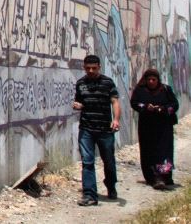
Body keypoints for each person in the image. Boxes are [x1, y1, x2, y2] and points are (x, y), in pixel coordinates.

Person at [73, 54, 121, 206]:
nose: (91, 71)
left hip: (105, 129)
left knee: (109, 161)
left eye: (94, 68)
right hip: (86, 128)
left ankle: (111, 185)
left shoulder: (107, 82)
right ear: (84, 68)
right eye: (88, 68)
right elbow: (78, 101)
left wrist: (116, 119)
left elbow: (115, 102)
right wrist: (77, 105)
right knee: (87, 161)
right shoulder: (80, 83)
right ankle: (89, 194)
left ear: (99, 67)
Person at [130, 67, 179, 189]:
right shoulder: (140, 91)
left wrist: (162, 109)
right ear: (145, 80)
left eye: (154, 79)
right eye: (149, 79)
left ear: (158, 80)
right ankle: (153, 177)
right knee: (148, 151)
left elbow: (174, 104)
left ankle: (165, 176)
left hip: (163, 127)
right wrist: (146, 107)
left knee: (164, 151)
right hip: (147, 127)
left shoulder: (166, 89)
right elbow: (134, 103)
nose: (151, 82)